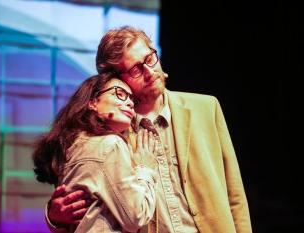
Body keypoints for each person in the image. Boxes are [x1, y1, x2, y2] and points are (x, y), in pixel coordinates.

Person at [46, 26, 252, 233]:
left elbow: (235, 196)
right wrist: (54, 218)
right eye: (136, 69)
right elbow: (79, 205)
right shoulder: (105, 136)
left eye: (150, 58)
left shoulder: (206, 108)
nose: (149, 71)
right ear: (116, 79)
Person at [32, 73, 159, 232]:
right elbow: (136, 217)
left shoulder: (71, 145)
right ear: (92, 102)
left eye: (132, 99)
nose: (130, 103)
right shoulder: (109, 145)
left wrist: (53, 219)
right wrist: (145, 169)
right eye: (120, 94)